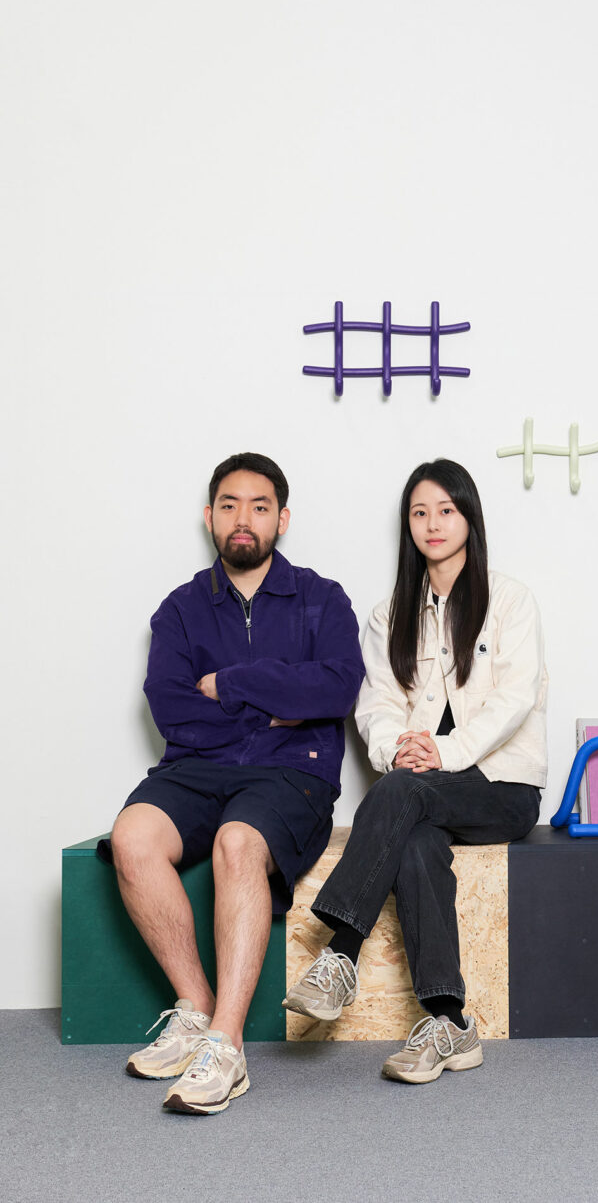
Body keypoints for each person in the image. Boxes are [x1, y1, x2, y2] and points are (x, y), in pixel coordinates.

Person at [105, 452, 364, 1114]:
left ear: (282, 517)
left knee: (238, 842)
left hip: (291, 770)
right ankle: (195, 1008)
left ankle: (228, 1044)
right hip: (196, 768)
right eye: (228, 504)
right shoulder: (181, 609)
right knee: (132, 836)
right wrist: (275, 702)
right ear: (209, 516)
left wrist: (236, 683)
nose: (241, 518)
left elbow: (336, 687)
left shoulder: (322, 598)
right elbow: (170, 706)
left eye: (257, 505)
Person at [284, 458, 548, 1083]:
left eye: (446, 511)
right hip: (422, 793)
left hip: (502, 787)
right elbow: (374, 702)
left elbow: (516, 698)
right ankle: (449, 1020)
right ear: (408, 525)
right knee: (415, 845)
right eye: (420, 513)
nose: (433, 524)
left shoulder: (510, 600)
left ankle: (340, 954)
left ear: (468, 518)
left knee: (405, 798)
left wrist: (444, 753)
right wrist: (397, 748)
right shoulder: (389, 615)